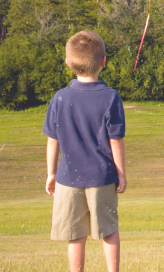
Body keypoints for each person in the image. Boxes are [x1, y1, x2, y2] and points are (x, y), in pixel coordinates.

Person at [43, 30, 127, 272]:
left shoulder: (59, 98)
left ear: (68, 63)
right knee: (109, 230)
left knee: (75, 234)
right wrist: (121, 174)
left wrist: (51, 174)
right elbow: (116, 141)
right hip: (103, 178)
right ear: (104, 61)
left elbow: (52, 140)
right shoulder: (111, 97)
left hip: (68, 179)